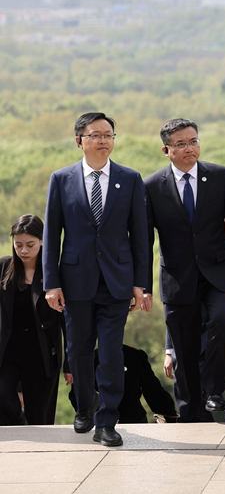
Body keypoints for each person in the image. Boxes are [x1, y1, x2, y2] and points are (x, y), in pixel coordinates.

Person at [42, 112, 150, 446]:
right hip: (75, 280)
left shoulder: (129, 178)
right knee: (78, 350)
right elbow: (52, 234)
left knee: (112, 352)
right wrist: (51, 283)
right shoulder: (61, 179)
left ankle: (106, 421)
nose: (104, 140)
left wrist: (140, 284)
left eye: (108, 134)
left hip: (117, 280)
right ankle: (84, 407)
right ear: (80, 141)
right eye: (96, 134)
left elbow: (141, 236)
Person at [144, 118, 225, 422]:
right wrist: (143, 286)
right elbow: (144, 240)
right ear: (166, 150)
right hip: (177, 278)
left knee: (221, 320)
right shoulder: (151, 186)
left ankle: (215, 389)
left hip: (220, 272)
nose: (189, 148)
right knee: (184, 350)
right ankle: (189, 413)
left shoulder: (220, 176)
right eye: (181, 144)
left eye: (193, 141)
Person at [0, 215, 70, 425]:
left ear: (42, 241)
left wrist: (70, 362)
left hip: (42, 354)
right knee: (3, 396)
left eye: (30, 245)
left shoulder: (55, 273)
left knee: (40, 416)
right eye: (18, 244)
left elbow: (67, 321)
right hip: (8, 351)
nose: (23, 250)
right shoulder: (3, 266)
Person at [69, 344, 178, 423]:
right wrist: (170, 414)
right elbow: (153, 391)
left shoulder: (90, 360)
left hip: (131, 421)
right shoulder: (134, 355)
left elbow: (153, 391)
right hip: (130, 420)